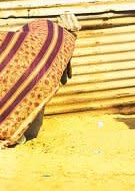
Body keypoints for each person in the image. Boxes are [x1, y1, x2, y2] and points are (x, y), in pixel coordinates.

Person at [0, 19, 77, 148]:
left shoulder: (55, 38)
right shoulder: (61, 39)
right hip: (38, 76)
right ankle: (19, 131)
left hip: (35, 74)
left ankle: (17, 132)